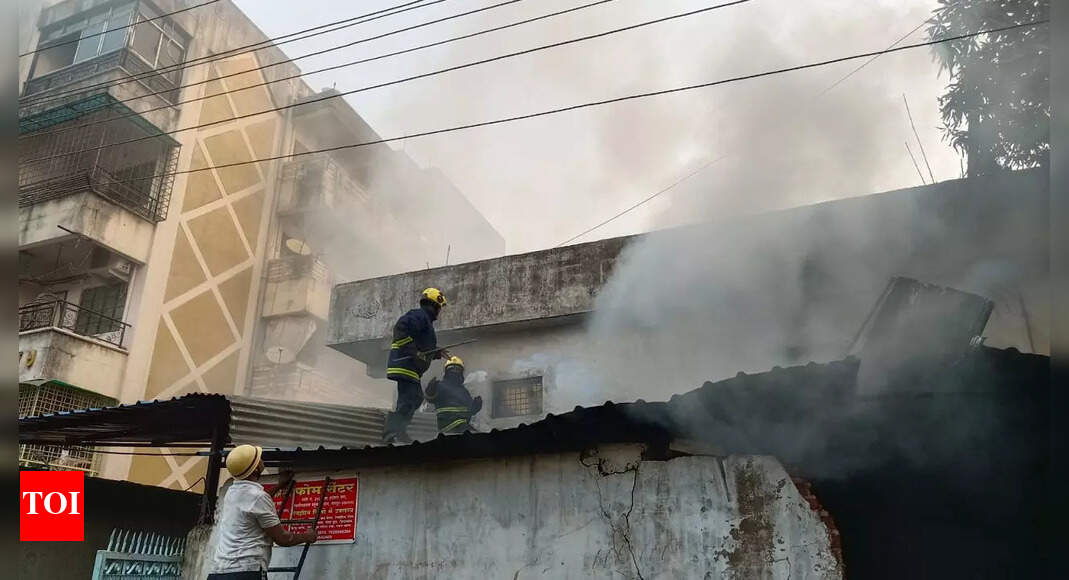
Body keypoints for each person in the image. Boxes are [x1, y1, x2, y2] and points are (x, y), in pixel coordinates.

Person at [207, 444, 318, 580]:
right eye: (258, 459)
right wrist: (307, 536)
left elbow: (253, 504)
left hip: (218, 571)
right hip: (246, 571)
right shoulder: (258, 497)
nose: (262, 460)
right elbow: (282, 538)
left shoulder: (232, 492)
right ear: (255, 469)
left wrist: (278, 486)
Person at [383, 287, 449, 443]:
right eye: (440, 308)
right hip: (404, 365)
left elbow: (423, 348)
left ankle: (399, 430)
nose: (440, 312)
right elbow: (400, 329)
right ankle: (391, 432)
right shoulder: (419, 316)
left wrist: (437, 353)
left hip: (411, 369)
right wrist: (413, 352)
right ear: (435, 305)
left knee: (416, 398)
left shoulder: (424, 321)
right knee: (408, 400)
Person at [424, 356, 483, 434]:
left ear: (461, 372)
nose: (455, 371)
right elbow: (430, 399)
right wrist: (430, 390)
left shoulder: (463, 390)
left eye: (457, 369)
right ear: (447, 371)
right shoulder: (440, 385)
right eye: (452, 369)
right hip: (447, 424)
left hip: (462, 424)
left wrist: (476, 406)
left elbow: (470, 411)